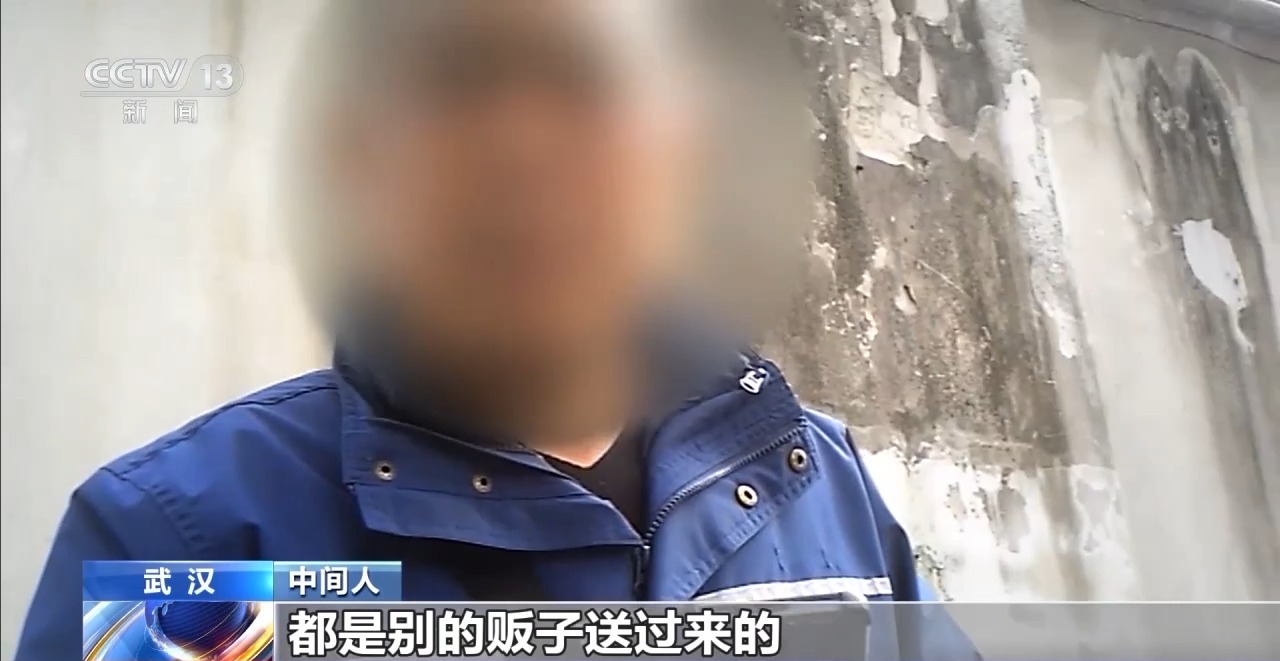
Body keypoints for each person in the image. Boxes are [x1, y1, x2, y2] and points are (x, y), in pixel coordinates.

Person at [17, 2, 976, 659]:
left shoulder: (818, 479)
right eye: (456, 85)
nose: (521, 150)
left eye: (584, 83)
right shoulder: (185, 540)